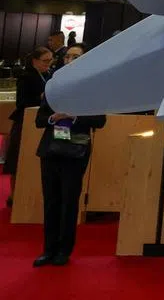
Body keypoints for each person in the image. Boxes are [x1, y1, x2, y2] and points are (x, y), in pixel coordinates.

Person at [33, 45, 105, 267]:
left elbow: (100, 121)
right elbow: (39, 120)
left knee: (68, 201)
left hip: (76, 151)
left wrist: (74, 117)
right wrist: (53, 118)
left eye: (76, 56)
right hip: (51, 148)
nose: (70, 60)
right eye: (68, 56)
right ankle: (48, 249)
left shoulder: (91, 87)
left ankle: (65, 249)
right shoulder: (54, 85)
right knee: (51, 201)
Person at [5, 46, 54, 206]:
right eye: (45, 61)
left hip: (44, 122)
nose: (48, 64)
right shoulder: (26, 77)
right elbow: (21, 103)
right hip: (24, 122)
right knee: (17, 161)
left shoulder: (50, 76)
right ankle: (14, 196)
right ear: (34, 61)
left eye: (50, 61)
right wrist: (40, 97)